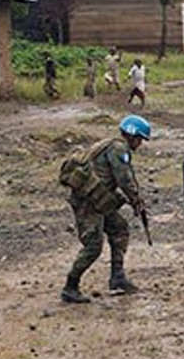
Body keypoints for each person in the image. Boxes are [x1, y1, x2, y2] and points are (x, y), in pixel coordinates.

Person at [58, 115, 151, 301]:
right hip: (89, 201)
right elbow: (124, 179)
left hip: (98, 199)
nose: (140, 144)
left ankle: (117, 277)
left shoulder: (112, 145)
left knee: (119, 228)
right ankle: (70, 286)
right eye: (140, 139)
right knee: (93, 246)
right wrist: (136, 201)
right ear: (132, 136)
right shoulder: (118, 149)